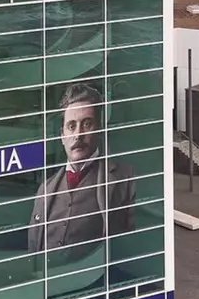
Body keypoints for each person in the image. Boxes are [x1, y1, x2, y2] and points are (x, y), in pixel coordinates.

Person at [27, 82, 135, 251]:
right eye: (71, 126)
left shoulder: (124, 179)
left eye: (86, 124)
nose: (78, 135)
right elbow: (33, 250)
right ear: (62, 136)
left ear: (99, 129)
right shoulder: (46, 189)